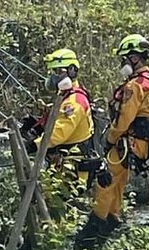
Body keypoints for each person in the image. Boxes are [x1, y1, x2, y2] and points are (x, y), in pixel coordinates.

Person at [75, 33, 149, 249]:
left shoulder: (135, 86)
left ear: (135, 58)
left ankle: (92, 233)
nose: (122, 63)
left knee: (105, 182)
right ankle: (112, 220)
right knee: (118, 183)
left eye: (125, 59)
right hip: (145, 144)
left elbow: (123, 119)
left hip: (126, 143)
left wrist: (110, 139)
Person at [22, 49, 96, 183]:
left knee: (65, 201)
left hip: (73, 168)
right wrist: (38, 125)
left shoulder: (74, 102)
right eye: (52, 73)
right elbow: (58, 118)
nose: (54, 77)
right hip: (64, 161)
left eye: (57, 72)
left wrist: (34, 145)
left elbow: (59, 133)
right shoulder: (67, 96)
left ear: (72, 71)